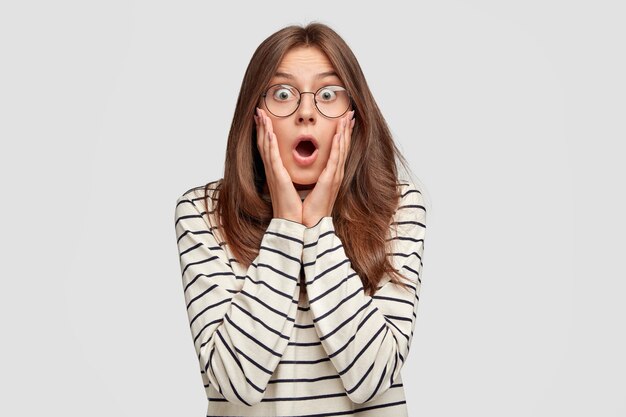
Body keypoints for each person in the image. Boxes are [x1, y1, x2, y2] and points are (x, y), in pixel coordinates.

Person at [174, 22, 428, 417]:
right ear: (254, 114)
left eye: (328, 94)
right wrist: (288, 226)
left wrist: (318, 228)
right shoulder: (203, 213)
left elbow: (373, 378)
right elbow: (236, 383)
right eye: (282, 94)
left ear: (354, 116)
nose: (306, 112)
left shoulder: (397, 208)